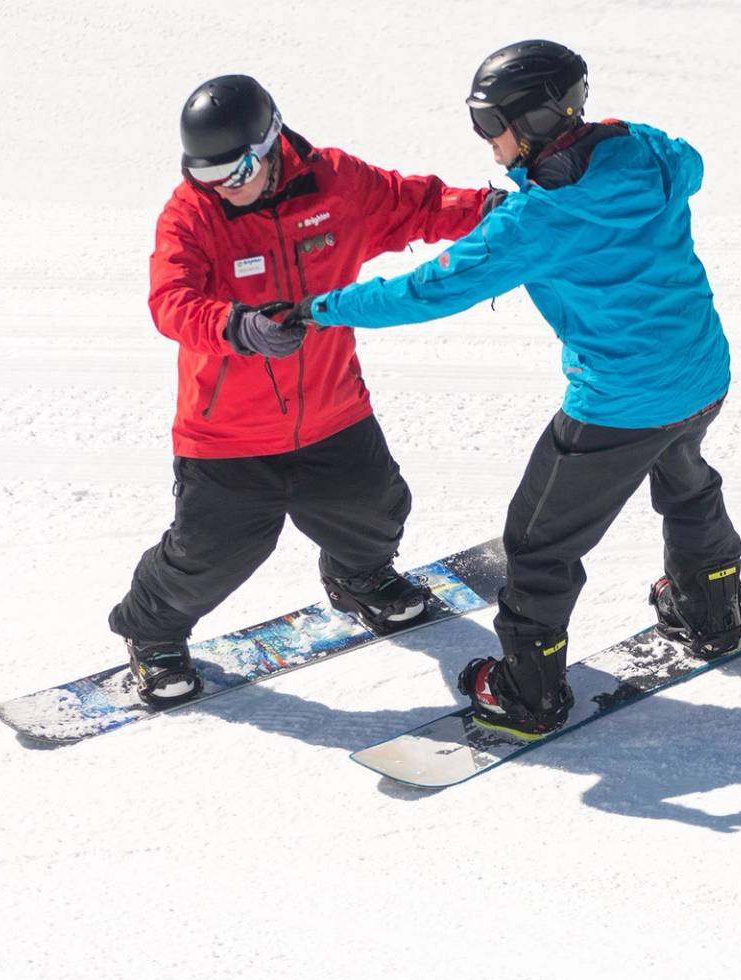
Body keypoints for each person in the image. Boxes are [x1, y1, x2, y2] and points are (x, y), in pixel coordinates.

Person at [291, 41, 741, 740]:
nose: (485, 141)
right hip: (701, 373)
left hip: (620, 405)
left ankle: (527, 690)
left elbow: (428, 290)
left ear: (533, 119)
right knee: (684, 479)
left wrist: (319, 308)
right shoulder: (644, 151)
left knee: (537, 543)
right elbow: (692, 163)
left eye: (488, 125)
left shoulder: (538, 220)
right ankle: (710, 613)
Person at [111, 74, 494, 705]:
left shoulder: (338, 184)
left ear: (269, 144)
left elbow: (418, 203)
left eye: (232, 173)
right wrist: (237, 325)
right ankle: (153, 634)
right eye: (203, 176)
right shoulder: (193, 215)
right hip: (227, 434)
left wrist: (492, 210)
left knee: (375, 510)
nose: (219, 190)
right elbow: (170, 301)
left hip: (333, 409)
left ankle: (359, 579)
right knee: (211, 555)